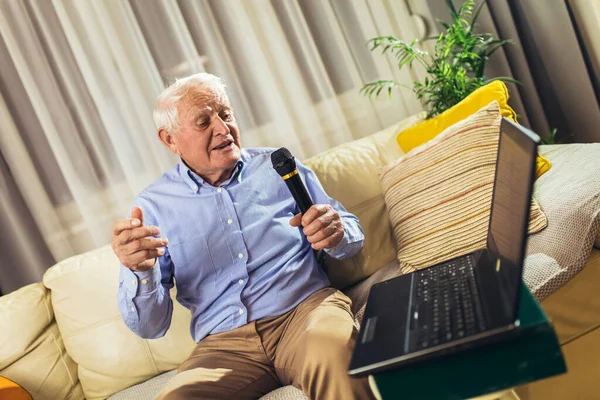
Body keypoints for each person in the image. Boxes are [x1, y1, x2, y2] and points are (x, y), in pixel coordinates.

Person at [111, 73, 374, 400]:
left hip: (305, 313)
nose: (222, 128)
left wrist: (336, 233)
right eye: (203, 122)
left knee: (337, 363)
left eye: (225, 114)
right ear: (170, 140)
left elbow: (349, 235)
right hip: (223, 346)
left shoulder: (277, 166)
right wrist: (139, 271)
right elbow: (151, 327)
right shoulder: (152, 208)